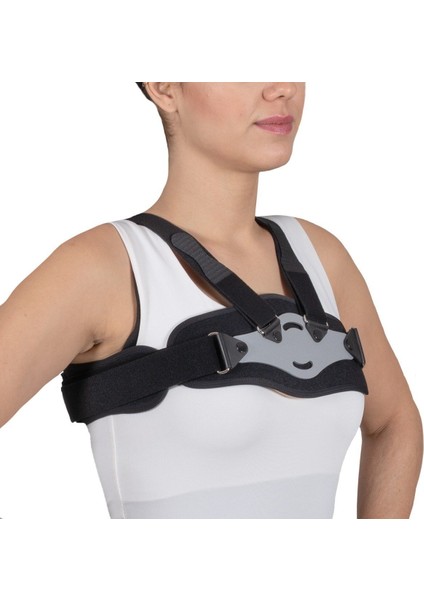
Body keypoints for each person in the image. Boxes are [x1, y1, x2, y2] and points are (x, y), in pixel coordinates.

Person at [0, 82, 422, 519]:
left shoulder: (320, 258)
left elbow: (395, 423)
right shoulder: (105, 267)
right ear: (164, 87)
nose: (281, 88)